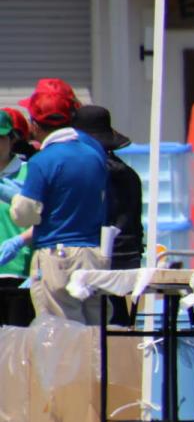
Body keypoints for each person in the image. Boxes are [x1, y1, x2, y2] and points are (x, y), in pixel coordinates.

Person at [3, 83, 109, 324]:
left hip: (56, 256)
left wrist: (16, 198)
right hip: (93, 254)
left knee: (60, 333)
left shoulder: (43, 160)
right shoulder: (94, 154)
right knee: (96, 334)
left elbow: (25, 216)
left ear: (35, 124)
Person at [73, 105, 144, 324]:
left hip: (93, 263)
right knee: (116, 325)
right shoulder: (129, 174)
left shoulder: (87, 172)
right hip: (126, 262)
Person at [0, 109, 36, 326]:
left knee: (18, 350)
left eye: (0, 138)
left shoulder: (30, 173)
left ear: (12, 138)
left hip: (19, 276)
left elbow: (46, 220)